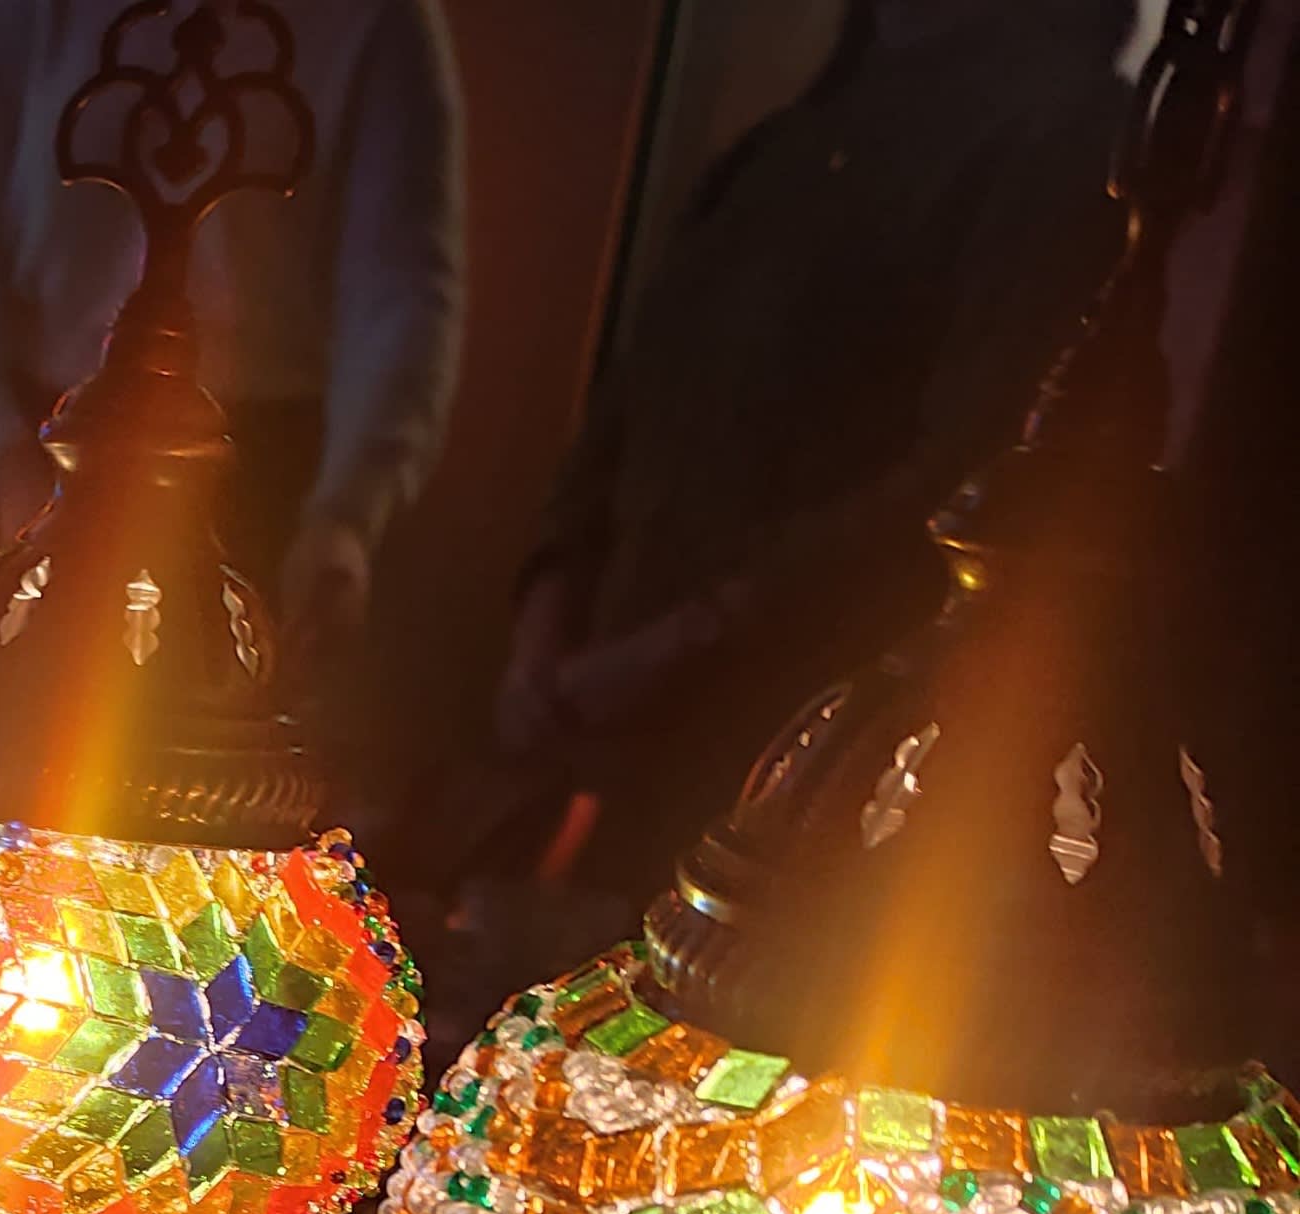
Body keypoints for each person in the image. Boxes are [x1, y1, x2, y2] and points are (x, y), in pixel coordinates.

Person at [487, 0, 1138, 892]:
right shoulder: (796, 138)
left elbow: (964, 473)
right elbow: (636, 391)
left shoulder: (1056, 140)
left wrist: (681, 642)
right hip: (609, 721)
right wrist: (546, 616)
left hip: (791, 764)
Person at [0, 0, 466, 667]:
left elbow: (400, 291)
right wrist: (2, 459)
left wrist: (347, 514)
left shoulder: (378, 18)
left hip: (255, 479)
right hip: (30, 444)